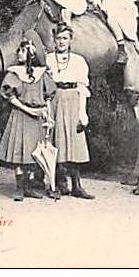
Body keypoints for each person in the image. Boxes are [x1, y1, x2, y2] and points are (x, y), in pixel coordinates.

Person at [0, 34, 57, 201]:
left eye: (23, 51)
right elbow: (9, 96)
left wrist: (47, 114)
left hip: (38, 118)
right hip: (21, 115)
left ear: (31, 54)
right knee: (19, 153)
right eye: (19, 50)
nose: (19, 53)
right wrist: (28, 110)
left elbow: (48, 96)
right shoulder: (14, 73)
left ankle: (29, 187)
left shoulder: (42, 74)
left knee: (33, 153)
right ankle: (19, 188)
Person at [45, 22, 94, 199]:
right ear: (54, 40)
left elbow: (83, 88)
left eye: (65, 38)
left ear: (70, 40)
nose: (61, 42)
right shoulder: (48, 59)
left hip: (73, 99)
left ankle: (77, 185)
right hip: (55, 99)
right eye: (58, 38)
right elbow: (44, 86)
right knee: (55, 141)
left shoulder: (79, 61)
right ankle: (57, 184)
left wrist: (83, 113)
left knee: (75, 142)